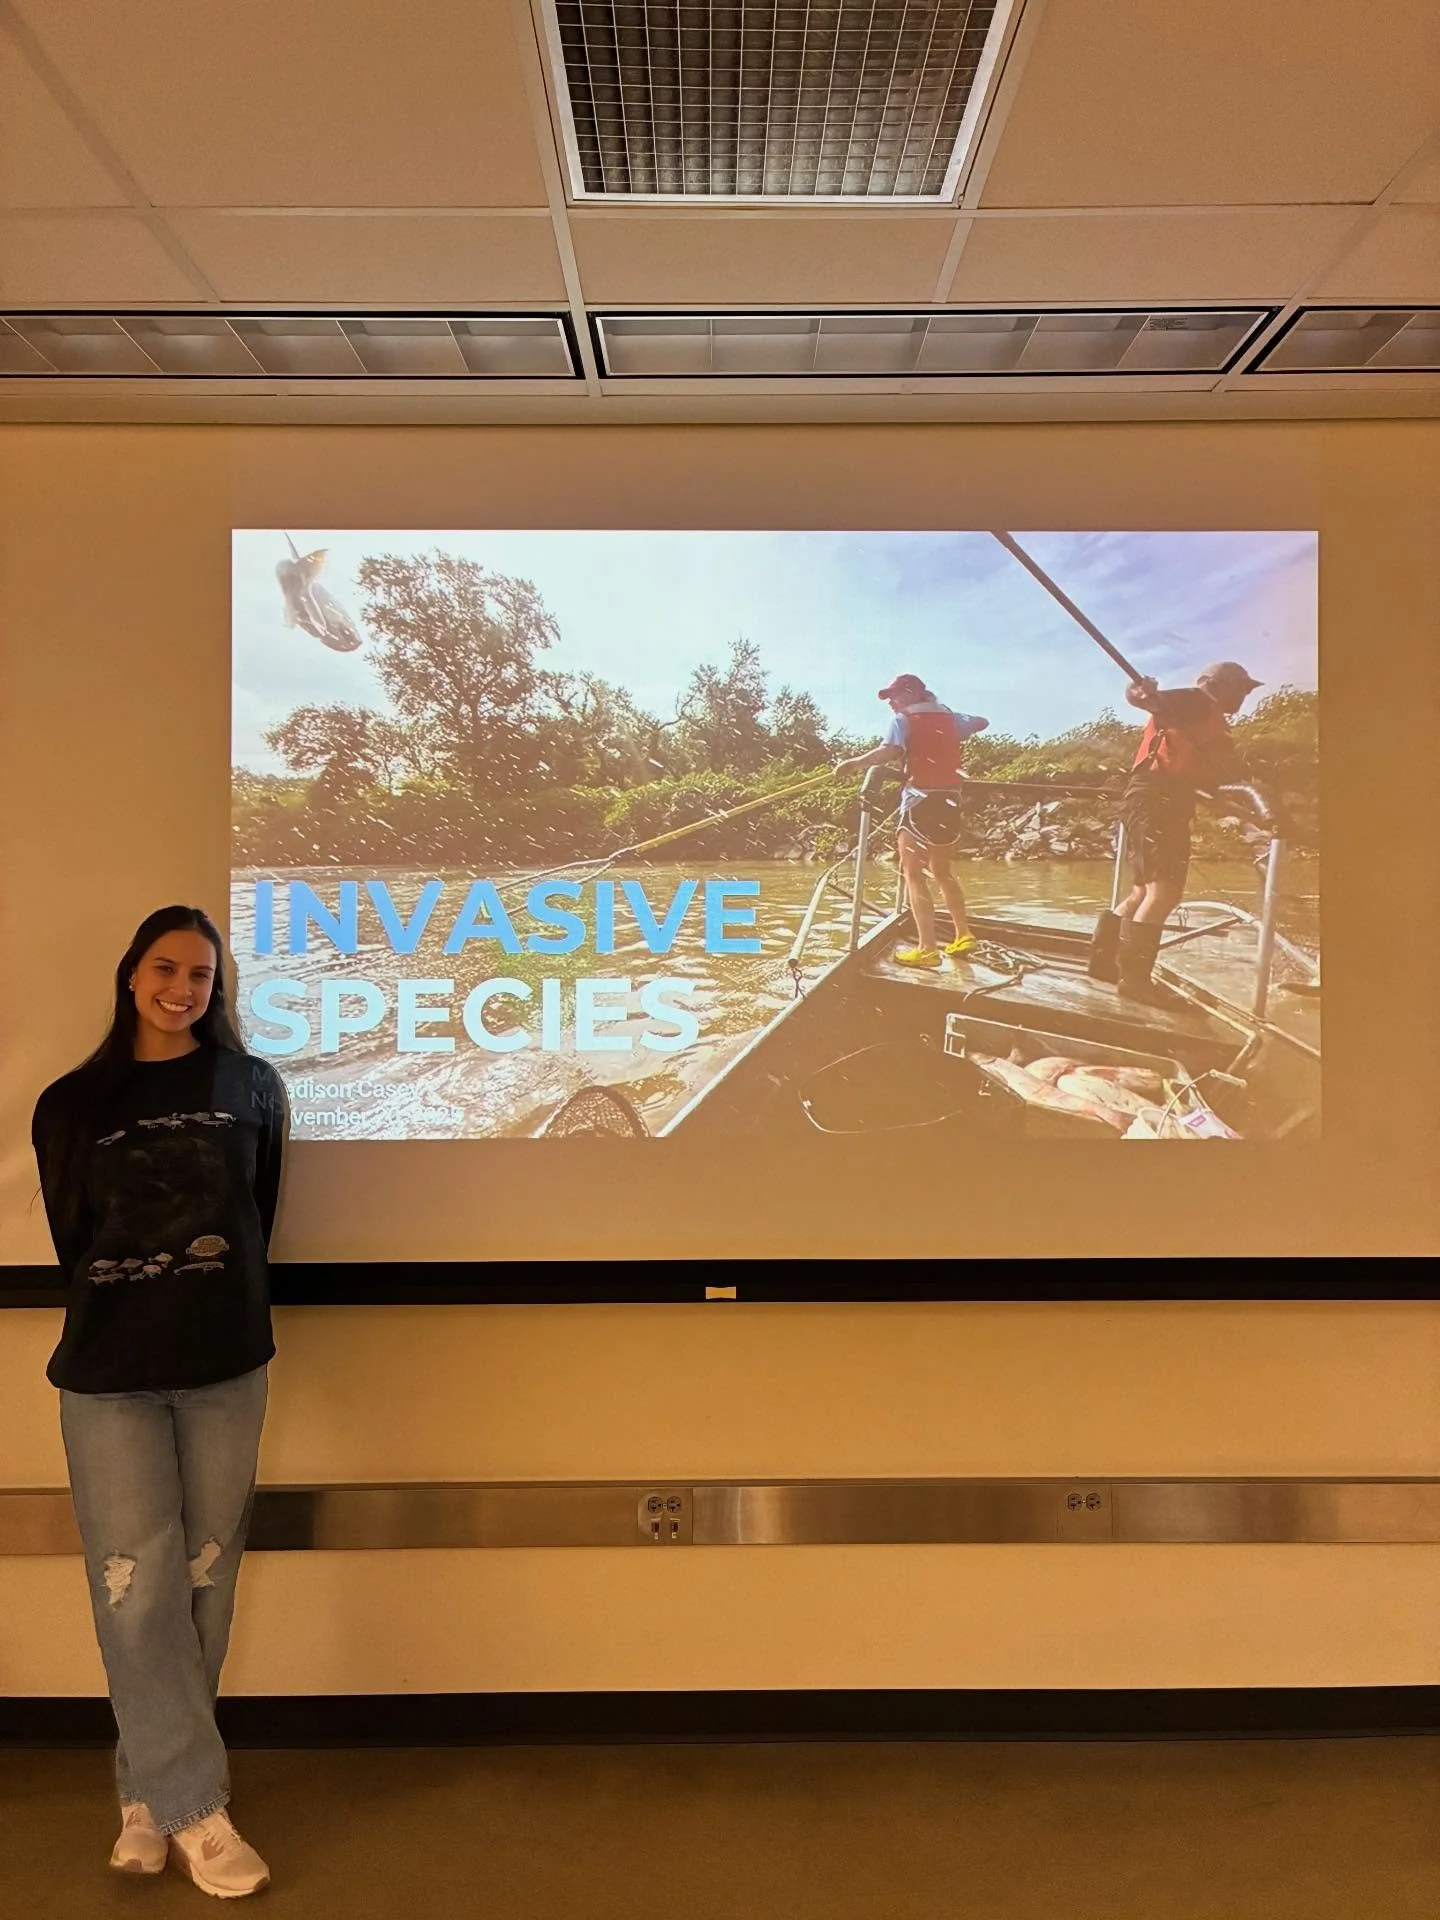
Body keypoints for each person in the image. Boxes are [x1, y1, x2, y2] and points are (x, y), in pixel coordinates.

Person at [31, 905, 289, 1898]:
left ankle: (149, 1795)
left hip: (228, 1371)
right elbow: (75, 1241)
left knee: (201, 1588)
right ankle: (199, 1813)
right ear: (131, 973)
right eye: (167, 968)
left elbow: (261, 1221)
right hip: (109, 1380)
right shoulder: (70, 1102)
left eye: (202, 977)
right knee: (134, 1596)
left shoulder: (252, 1086)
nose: (184, 989)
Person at [1088, 660, 1262, 999]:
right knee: (1163, 894)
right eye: (1242, 688)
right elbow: (1144, 699)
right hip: (1157, 802)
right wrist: (1139, 690)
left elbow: (1208, 789)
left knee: (1142, 893)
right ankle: (1135, 984)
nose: (1244, 696)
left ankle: (1104, 965)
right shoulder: (1196, 701)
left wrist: (1249, 815)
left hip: (1153, 802)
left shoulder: (1206, 724)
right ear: (1221, 684)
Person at [834, 674, 989, 967]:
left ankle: (927, 949)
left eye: (894, 696)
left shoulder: (902, 720)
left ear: (910, 693)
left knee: (913, 874)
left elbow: (889, 752)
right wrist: (947, 721)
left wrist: (854, 764)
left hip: (920, 802)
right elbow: (981, 722)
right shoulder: (950, 718)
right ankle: (964, 934)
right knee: (943, 872)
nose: (891, 702)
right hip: (950, 802)